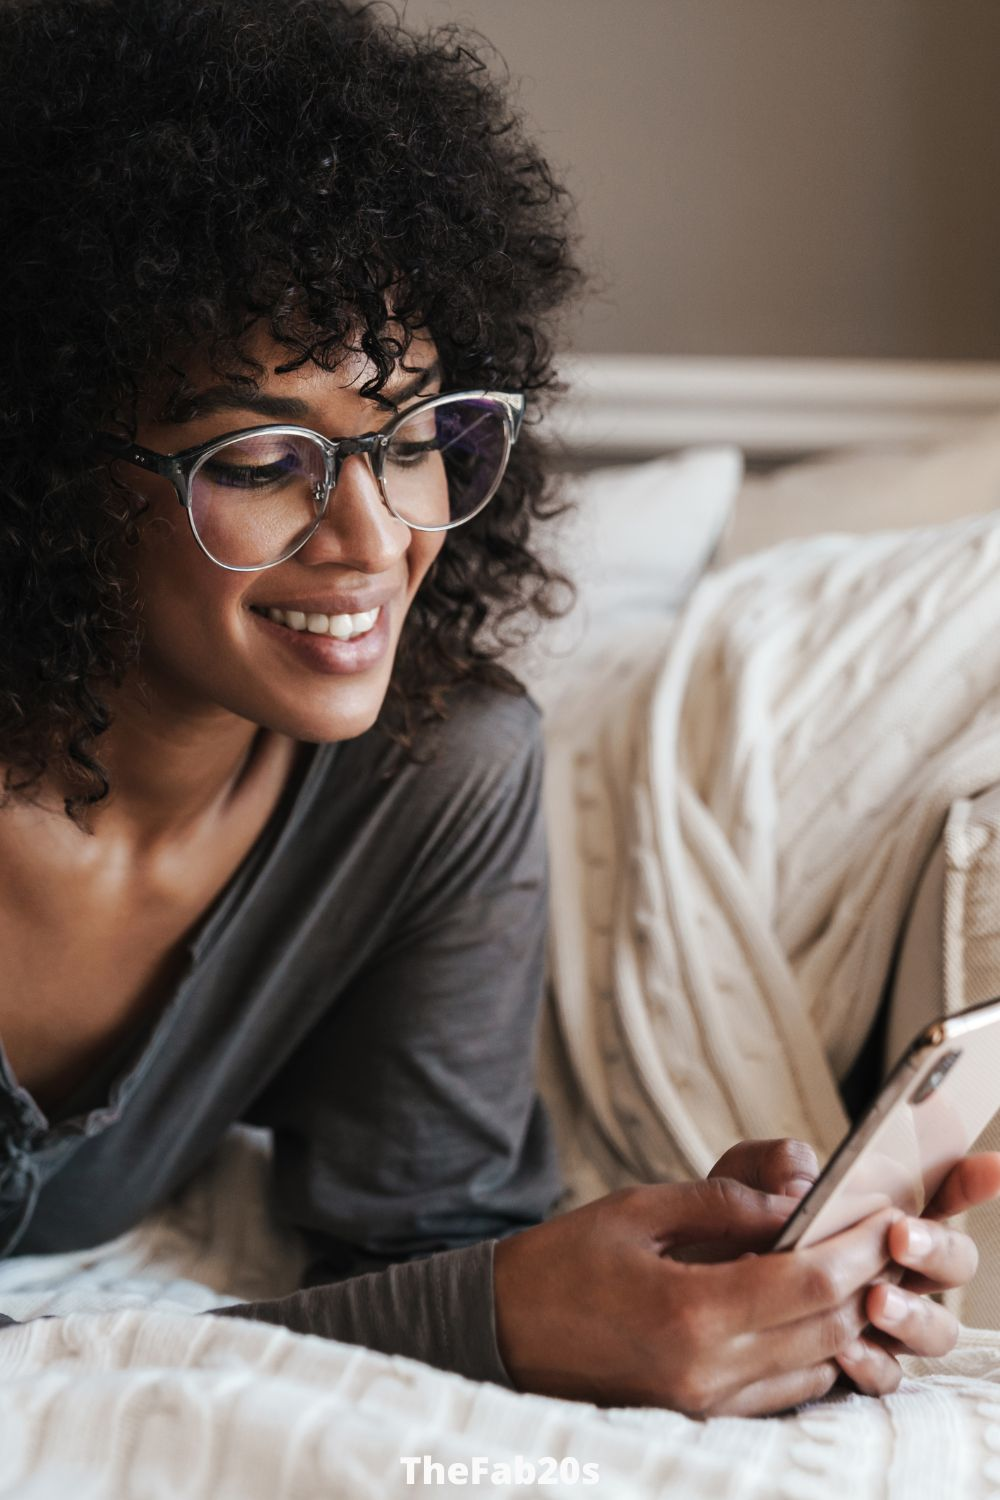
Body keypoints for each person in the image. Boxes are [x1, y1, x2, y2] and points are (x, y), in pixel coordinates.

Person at [1, 0, 997, 1417]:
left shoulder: (430, 775)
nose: (371, 538)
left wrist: (682, 1274)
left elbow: (424, 1245)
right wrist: (502, 1315)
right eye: (264, 455)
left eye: (411, 439)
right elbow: (465, 1306)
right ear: (42, 467)